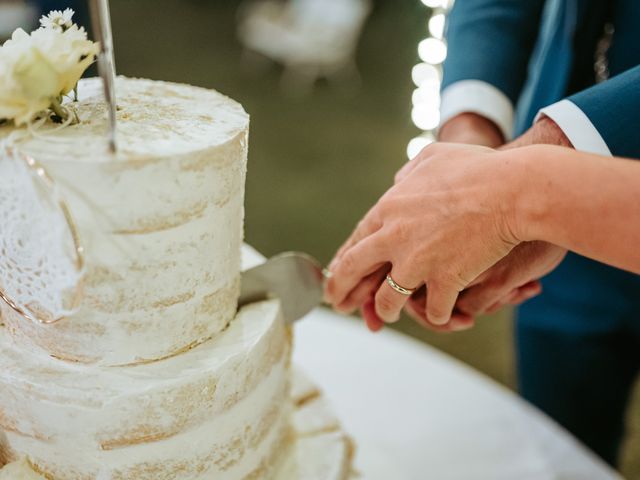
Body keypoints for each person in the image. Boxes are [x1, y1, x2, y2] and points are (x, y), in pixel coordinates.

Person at [330, 0, 640, 467]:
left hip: (554, 192)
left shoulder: (522, 189)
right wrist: (470, 136)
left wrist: (521, 185)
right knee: (557, 450)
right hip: (550, 243)